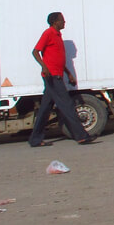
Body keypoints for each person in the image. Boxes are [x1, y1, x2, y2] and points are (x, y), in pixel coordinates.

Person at [29, 12, 94, 147]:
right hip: (52, 76)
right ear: (55, 22)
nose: (64, 22)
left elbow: (58, 59)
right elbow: (35, 51)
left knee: (45, 108)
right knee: (67, 105)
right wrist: (44, 67)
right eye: (62, 20)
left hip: (57, 75)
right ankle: (81, 136)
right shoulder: (48, 33)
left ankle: (35, 139)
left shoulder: (58, 36)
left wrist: (68, 73)